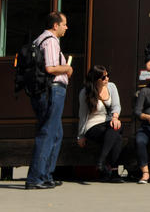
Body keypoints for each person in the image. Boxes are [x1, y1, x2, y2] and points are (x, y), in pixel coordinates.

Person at [25, 12, 73, 190]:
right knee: (47, 133)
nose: (66, 27)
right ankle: (35, 178)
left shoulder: (38, 40)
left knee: (56, 133)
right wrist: (67, 68)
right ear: (55, 25)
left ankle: (45, 175)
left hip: (42, 91)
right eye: (64, 24)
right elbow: (50, 67)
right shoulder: (51, 41)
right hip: (53, 90)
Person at [76, 65, 123, 182]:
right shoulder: (85, 93)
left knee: (116, 129)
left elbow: (116, 106)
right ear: (96, 80)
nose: (107, 79)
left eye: (107, 76)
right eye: (103, 78)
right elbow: (82, 115)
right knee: (116, 134)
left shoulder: (111, 87)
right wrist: (80, 135)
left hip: (108, 122)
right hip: (92, 125)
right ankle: (114, 172)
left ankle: (101, 161)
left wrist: (115, 117)